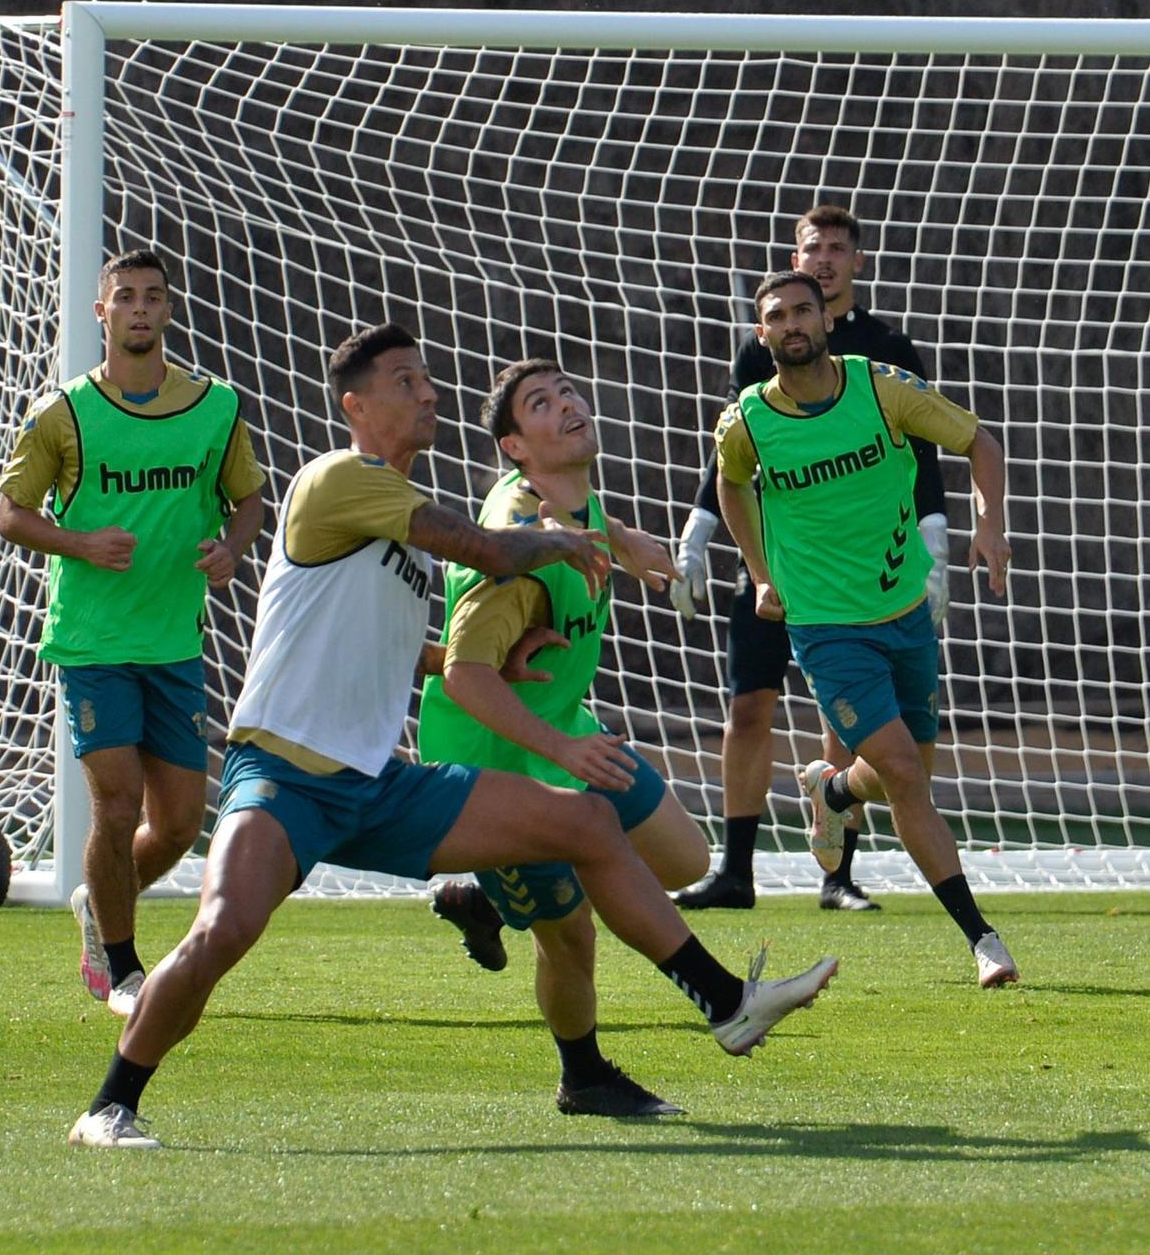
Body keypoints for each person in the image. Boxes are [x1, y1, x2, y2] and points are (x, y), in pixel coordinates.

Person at [67, 322, 838, 1148]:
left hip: (376, 783)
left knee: (584, 821)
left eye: (426, 379)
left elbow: (391, 642)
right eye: (405, 382)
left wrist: (472, 664)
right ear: (355, 404)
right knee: (222, 932)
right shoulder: (339, 479)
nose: (426, 392)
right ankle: (110, 1105)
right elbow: (485, 545)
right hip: (285, 776)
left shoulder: (401, 535)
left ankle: (725, 1004)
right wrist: (567, 539)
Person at [418, 358, 712, 1119]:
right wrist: (552, 753)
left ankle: (484, 899)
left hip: (566, 730)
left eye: (569, 392)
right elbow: (463, 675)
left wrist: (629, 540)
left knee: (685, 858)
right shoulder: (510, 542)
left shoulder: (573, 494)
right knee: (570, 933)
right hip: (496, 753)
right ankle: (582, 1077)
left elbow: (587, 519)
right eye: (541, 405)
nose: (568, 405)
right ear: (515, 448)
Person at [710, 271, 1018, 988]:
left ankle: (836, 793)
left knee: (900, 774)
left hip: (905, 611)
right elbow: (729, 483)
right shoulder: (747, 421)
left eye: (802, 311)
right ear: (762, 335)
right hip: (824, 627)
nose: (790, 324)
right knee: (909, 778)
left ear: (825, 320)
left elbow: (980, 442)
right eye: (775, 316)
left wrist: (988, 523)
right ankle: (983, 940)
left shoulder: (882, 389)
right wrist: (759, 573)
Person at [0, 248, 266, 1016]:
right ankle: (121, 967)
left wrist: (232, 549)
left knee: (179, 823)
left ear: (169, 310)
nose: (139, 309)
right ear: (101, 313)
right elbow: (9, 514)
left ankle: (99, 902)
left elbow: (247, 498)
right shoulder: (64, 413)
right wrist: (80, 544)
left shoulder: (216, 406)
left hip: (175, 642)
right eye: (125, 298)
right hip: (93, 643)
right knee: (116, 806)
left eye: (153, 297)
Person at [673, 204, 951, 913]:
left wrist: (934, 536)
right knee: (747, 707)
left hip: (861, 573)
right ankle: (736, 871)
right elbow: (733, 457)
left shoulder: (884, 348)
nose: (822, 258)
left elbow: (920, 446)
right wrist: (699, 530)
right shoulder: (762, 348)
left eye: (835, 247)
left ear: (856, 261)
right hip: (772, 565)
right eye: (810, 248)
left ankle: (837, 875)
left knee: (841, 721)